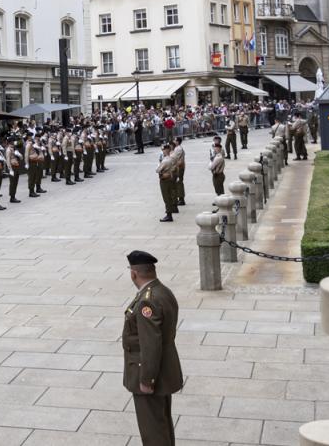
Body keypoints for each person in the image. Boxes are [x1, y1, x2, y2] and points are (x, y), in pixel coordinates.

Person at [122, 250, 183, 446]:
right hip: (164, 369)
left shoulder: (146, 301)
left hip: (150, 373)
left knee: (153, 431)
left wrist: (147, 379)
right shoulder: (163, 291)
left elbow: (150, 344)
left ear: (133, 274)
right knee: (162, 424)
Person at [156, 145, 176, 223]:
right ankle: (169, 213)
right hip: (170, 178)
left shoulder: (165, 160)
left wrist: (159, 164)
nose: (163, 151)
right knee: (169, 196)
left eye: (164, 150)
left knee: (166, 197)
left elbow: (157, 170)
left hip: (165, 180)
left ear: (167, 150)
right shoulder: (171, 159)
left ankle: (169, 215)